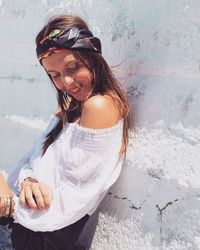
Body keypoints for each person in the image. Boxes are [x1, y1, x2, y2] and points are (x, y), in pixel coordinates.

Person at [0, 14, 131, 250]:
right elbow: (31, 159)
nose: (67, 82)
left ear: (92, 56)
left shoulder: (100, 106)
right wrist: (28, 180)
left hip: (38, 238)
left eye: (73, 67)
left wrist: (11, 203)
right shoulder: (69, 106)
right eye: (55, 75)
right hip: (24, 229)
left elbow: (70, 203)